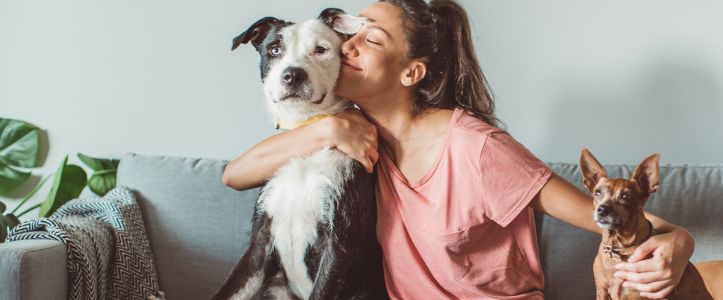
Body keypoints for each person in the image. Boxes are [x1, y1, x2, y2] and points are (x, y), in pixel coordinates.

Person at [222, 0, 694, 298]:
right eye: (351, 35)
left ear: (411, 73)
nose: (347, 47)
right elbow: (237, 175)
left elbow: (606, 216)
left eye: (371, 38)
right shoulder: (351, 134)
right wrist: (323, 133)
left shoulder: (478, 149)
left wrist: (679, 240)